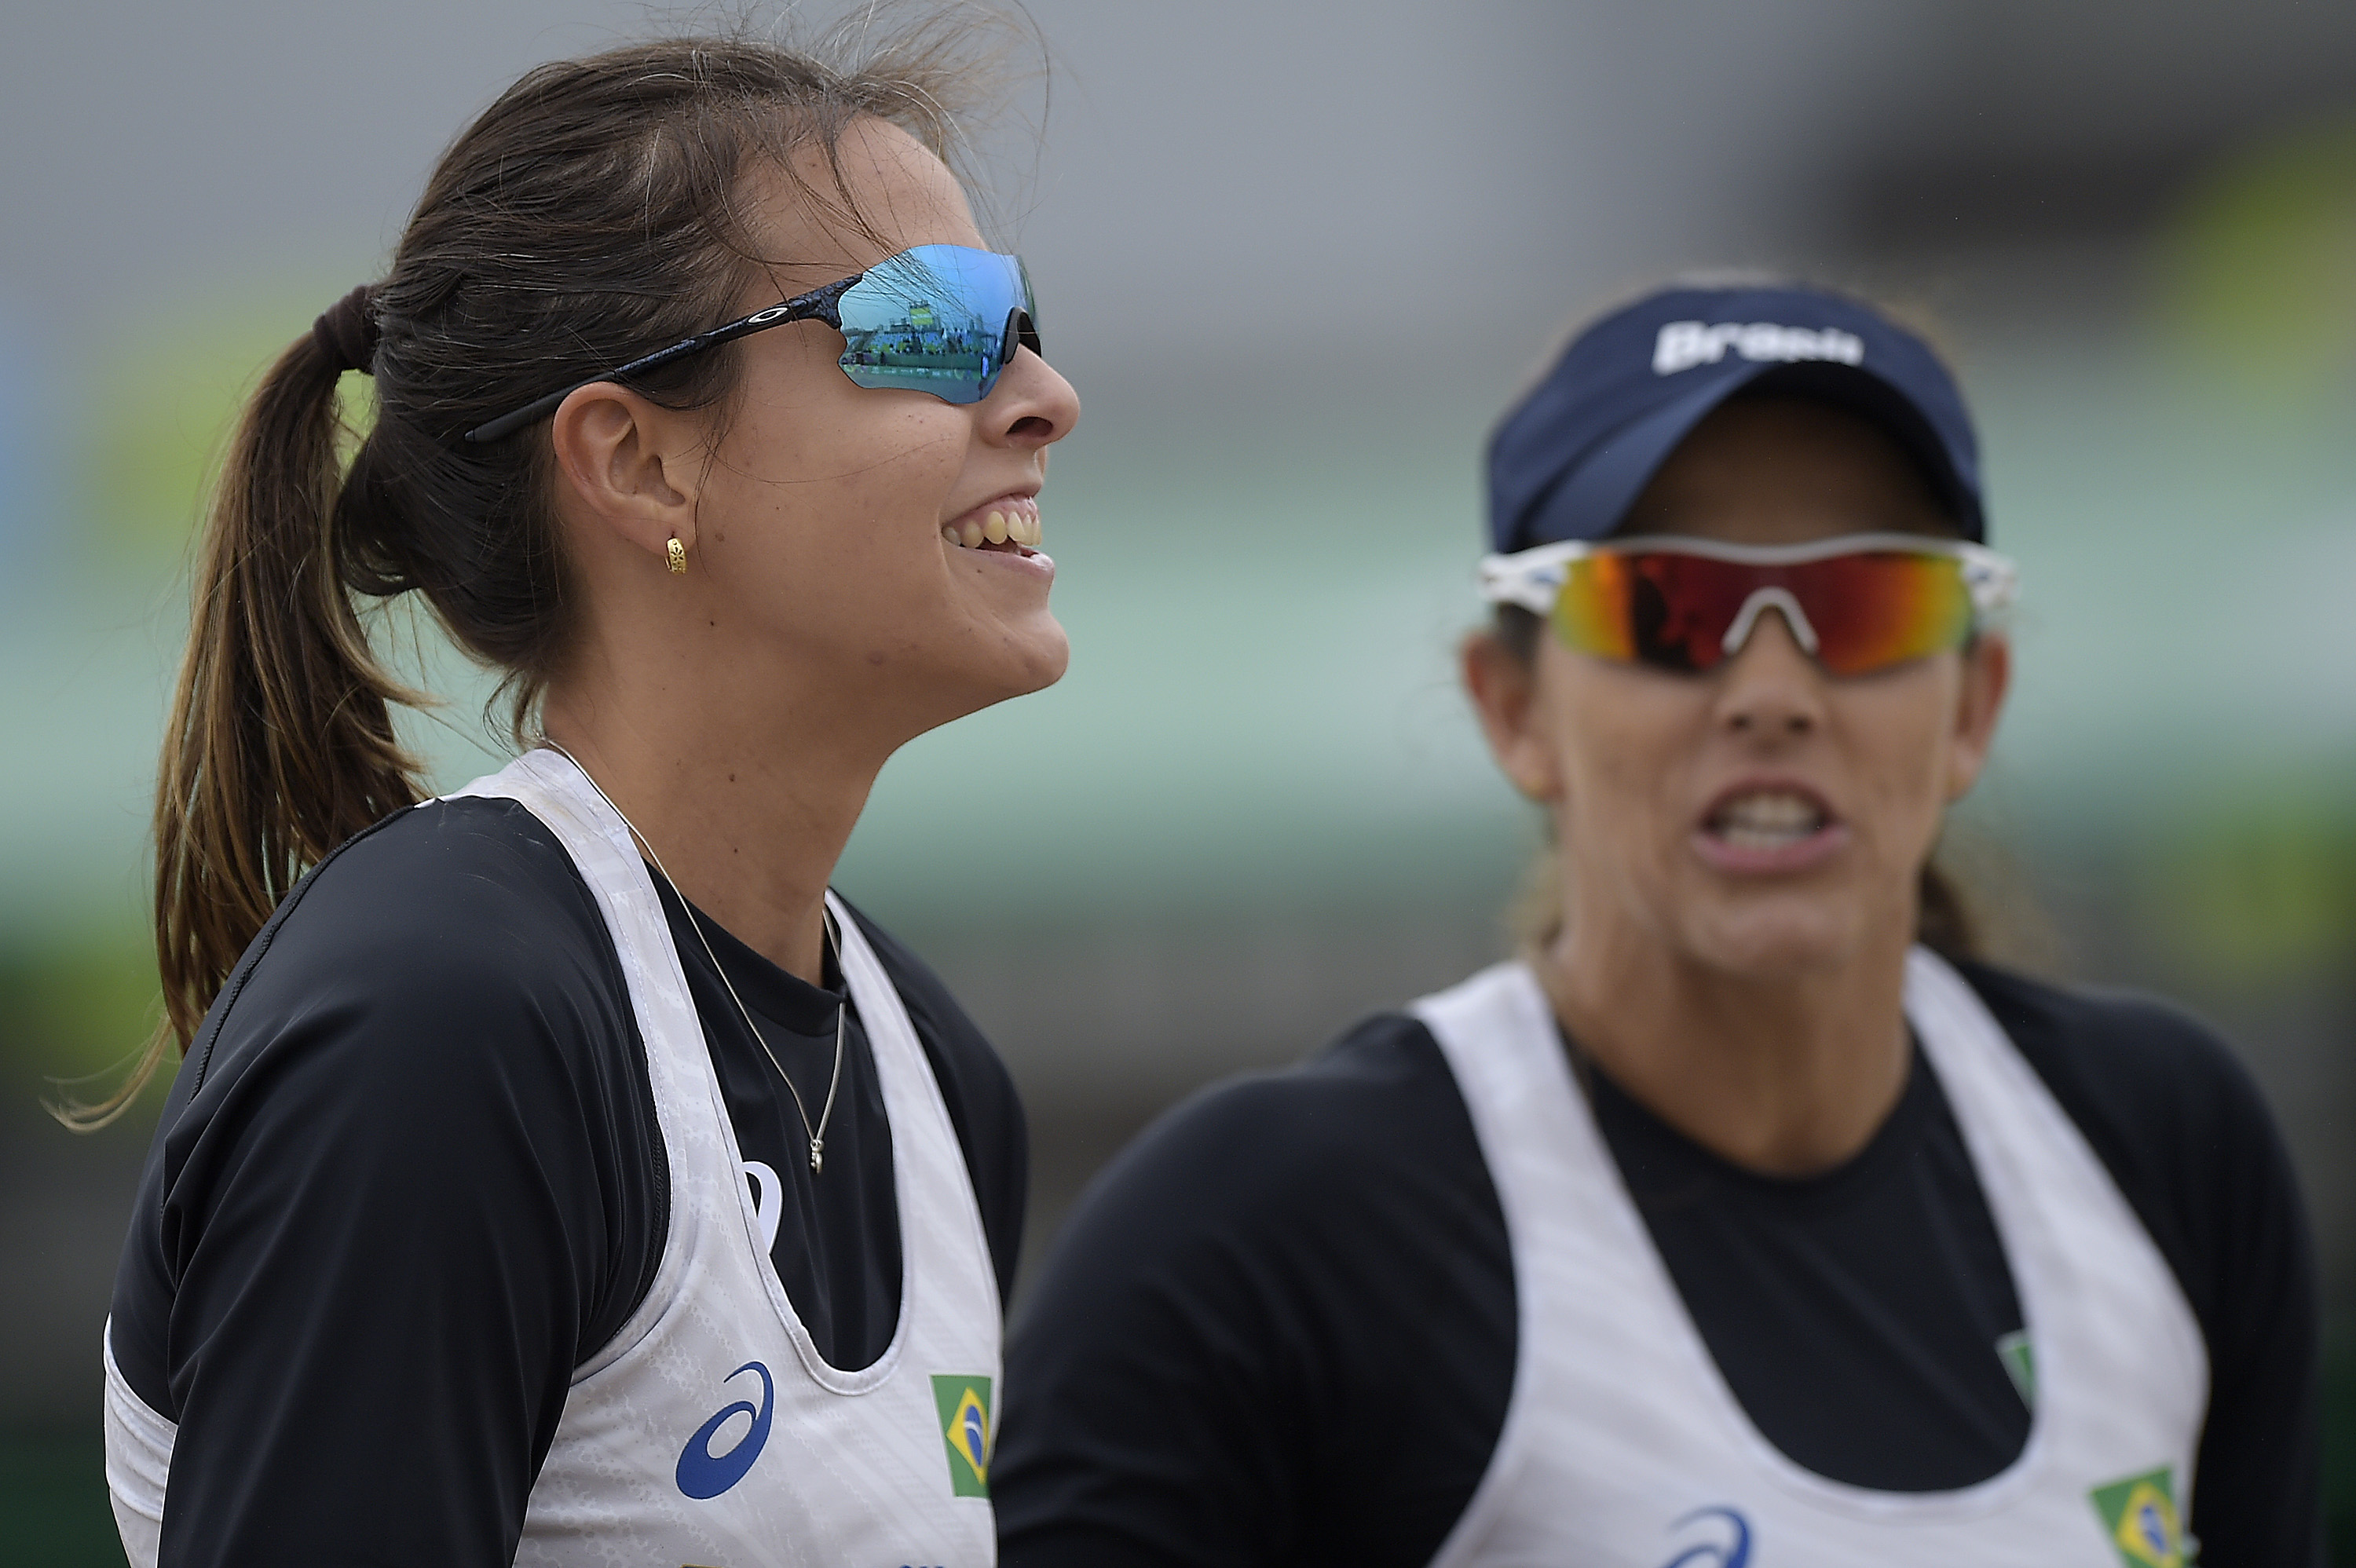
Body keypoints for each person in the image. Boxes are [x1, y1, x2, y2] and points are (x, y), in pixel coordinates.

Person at [992, 284, 2321, 1566]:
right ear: (1511, 706)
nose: (1772, 690)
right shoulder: (1275, 1228)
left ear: (1974, 704)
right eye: (1667, 607)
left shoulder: (2158, 1142)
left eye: (1866, 605)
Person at [95, 24, 1077, 1568]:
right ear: (635, 464)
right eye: (932, 327)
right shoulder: (442, 1021)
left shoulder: (941, 1077)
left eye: (1021, 321)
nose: (1045, 397)